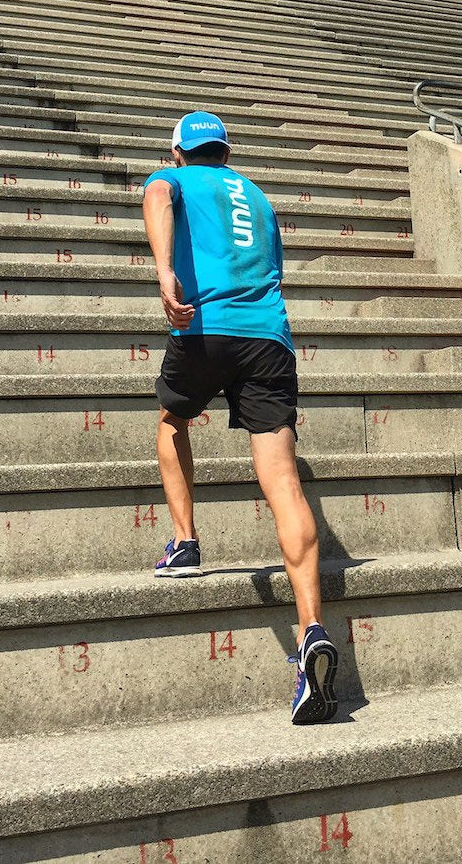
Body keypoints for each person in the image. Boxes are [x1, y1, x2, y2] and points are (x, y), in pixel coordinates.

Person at [142, 110, 338, 724]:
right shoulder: (256, 194)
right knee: (282, 480)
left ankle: (184, 540)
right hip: (268, 338)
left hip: (206, 328)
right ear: (225, 152)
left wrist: (164, 269)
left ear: (179, 153)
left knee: (173, 419)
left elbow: (154, 195)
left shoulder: (173, 179)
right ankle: (311, 629)